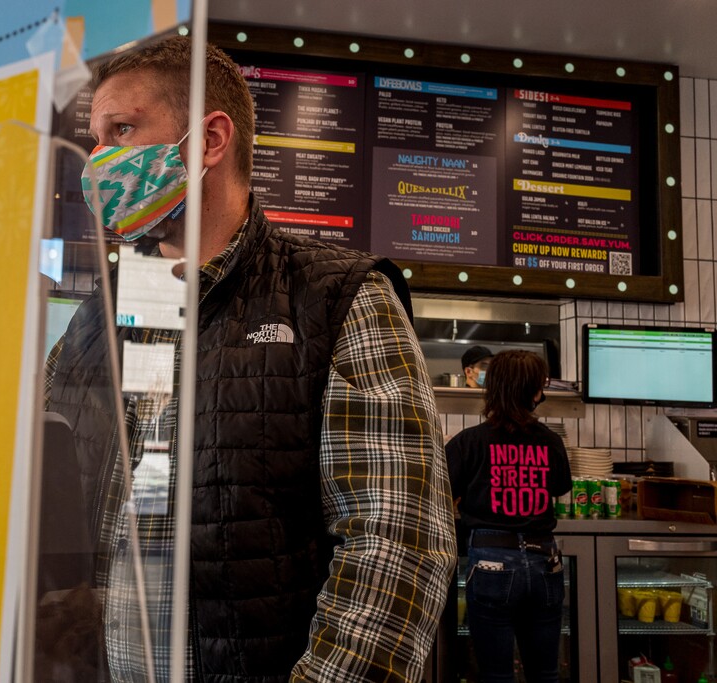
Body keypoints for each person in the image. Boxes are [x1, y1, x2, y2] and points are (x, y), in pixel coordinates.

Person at [44, 36, 456, 681]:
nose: (98, 161)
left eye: (122, 131)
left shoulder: (336, 299)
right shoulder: (97, 317)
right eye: (95, 140)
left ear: (210, 140)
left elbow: (398, 544)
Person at [445, 350, 572, 682]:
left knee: (496, 675)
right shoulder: (551, 441)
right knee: (545, 674)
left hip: (492, 564)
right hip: (545, 562)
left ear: (492, 389)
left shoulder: (468, 442)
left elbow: (442, 493)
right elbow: (560, 487)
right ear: (535, 393)